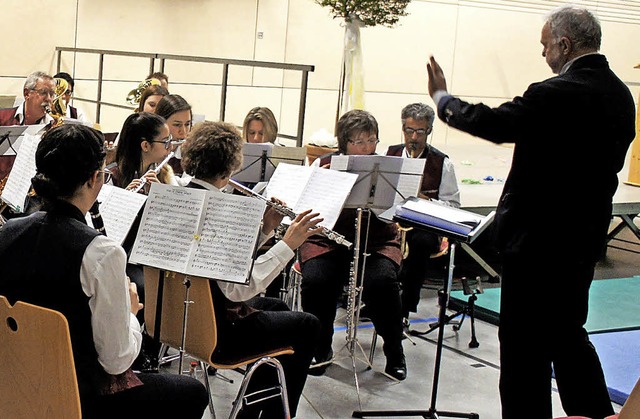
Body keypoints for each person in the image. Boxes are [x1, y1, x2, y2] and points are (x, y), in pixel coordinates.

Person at [426, 5, 635, 418]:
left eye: (545, 45)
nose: (543, 54)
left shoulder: (553, 94)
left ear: (564, 44)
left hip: (536, 247)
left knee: (524, 355)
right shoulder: (622, 96)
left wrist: (443, 99)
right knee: (568, 336)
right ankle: (596, 415)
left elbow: (494, 123)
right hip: (581, 243)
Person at [0, 124, 208, 418]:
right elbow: (116, 361)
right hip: (78, 398)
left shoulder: (7, 231)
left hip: (14, 386)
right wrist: (131, 315)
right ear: (95, 179)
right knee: (191, 392)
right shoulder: (101, 253)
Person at [180, 120, 322, 418]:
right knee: (307, 325)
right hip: (215, 332)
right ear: (231, 167)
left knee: (280, 308)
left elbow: (214, 262)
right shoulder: (223, 209)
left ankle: (253, 407)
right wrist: (288, 245)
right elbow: (238, 288)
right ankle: (274, 415)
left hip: (178, 319)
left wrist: (265, 229)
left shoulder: (178, 199)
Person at [301, 109, 408, 381]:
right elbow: (310, 206)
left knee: (382, 282)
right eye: (358, 141)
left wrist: (380, 203)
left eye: (371, 140)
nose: (366, 148)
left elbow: (398, 209)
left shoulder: (387, 168)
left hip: (377, 240)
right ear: (344, 142)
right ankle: (320, 348)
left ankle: (395, 349)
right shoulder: (324, 165)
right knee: (317, 280)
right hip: (329, 240)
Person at [386, 102, 460, 328]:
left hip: (423, 224)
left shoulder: (442, 163)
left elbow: (454, 205)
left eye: (420, 131)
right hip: (393, 219)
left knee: (420, 243)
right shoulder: (390, 154)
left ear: (429, 131)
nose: (414, 137)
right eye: (409, 130)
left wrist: (426, 200)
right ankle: (379, 298)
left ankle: (405, 307)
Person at [154, 93, 192, 180]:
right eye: (177, 125)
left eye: (187, 124)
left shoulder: (190, 156)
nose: (183, 131)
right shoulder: (149, 151)